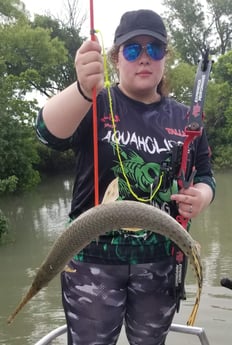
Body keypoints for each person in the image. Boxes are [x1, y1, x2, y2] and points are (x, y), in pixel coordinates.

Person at [36, 9, 216, 345]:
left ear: (165, 58)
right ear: (116, 58)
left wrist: (202, 196)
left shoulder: (187, 118)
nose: (144, 58)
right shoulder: (96, 102)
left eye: (155, 50)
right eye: (133, 50)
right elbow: (48, 134)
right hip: (92, 264)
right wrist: (80, 89)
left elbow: (206, 175)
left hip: (160, 265)